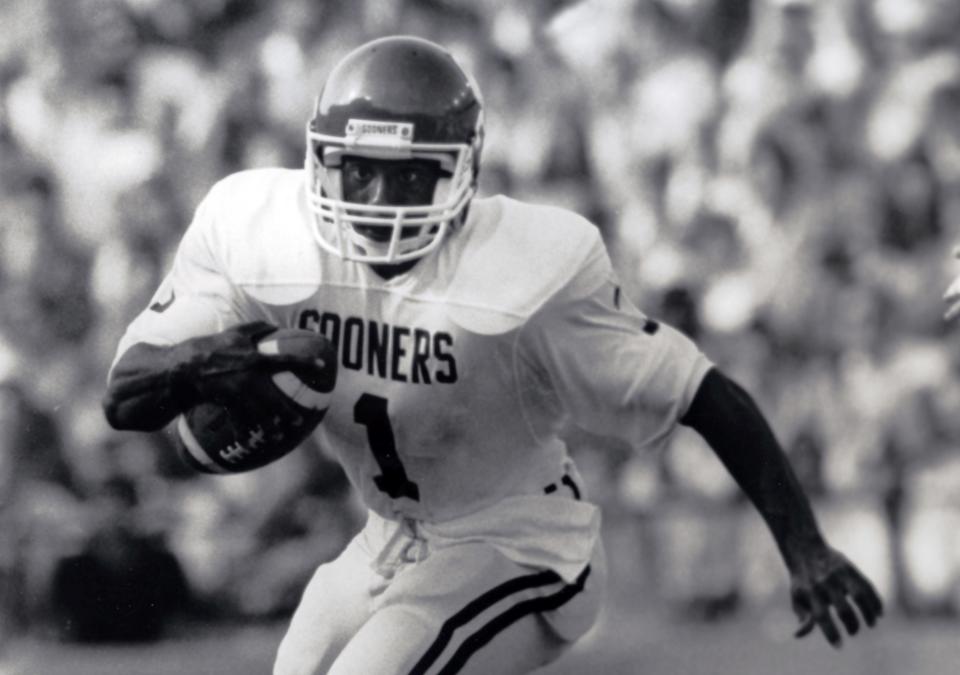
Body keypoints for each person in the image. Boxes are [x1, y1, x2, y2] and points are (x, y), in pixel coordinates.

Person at [103, 35, 883, 675]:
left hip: (521, 542)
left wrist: (805, 547)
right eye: (360, 170)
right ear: (320, 160)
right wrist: (208, 363)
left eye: (410, 174)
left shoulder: (529, 267)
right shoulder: (254, 229)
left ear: (462, 170)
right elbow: (126, 394)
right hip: (388, 536)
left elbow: (700, 391)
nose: (379, 200)